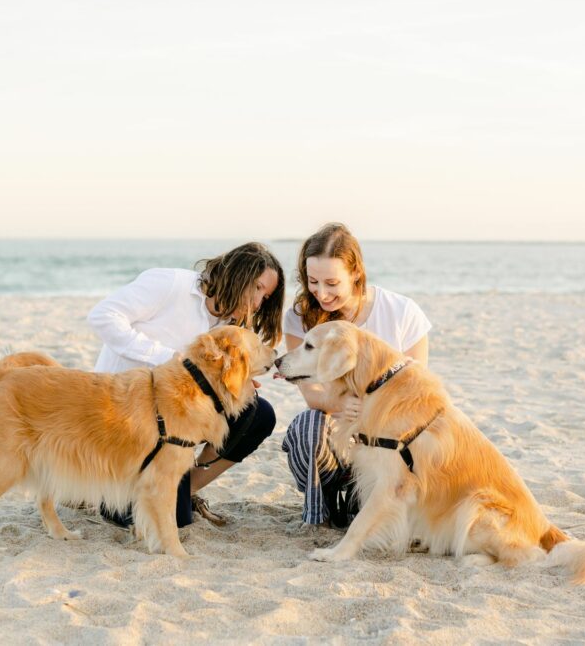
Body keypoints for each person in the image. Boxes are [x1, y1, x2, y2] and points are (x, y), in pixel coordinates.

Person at [87, 242, 284, 527]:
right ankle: (112, 488)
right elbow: (103, 317)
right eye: (257, 288)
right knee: (148, 519)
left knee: (258, 414)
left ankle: (184, 488)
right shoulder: (170, 284)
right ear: (238, 274)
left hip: (174, 424)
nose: (257, 303)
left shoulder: (229, 326)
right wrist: (167, 359)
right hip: (124, 417)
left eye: (265, 297)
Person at [280, 223, 431, 527]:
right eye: (313, 281)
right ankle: (320, 507)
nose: (321, 293)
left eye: (332, 283)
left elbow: (417, 395)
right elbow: (312, 394)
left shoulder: (402, 312)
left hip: (386, 442)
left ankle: (367, 500)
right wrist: (339, 406)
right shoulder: (299, 318)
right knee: (307, 425)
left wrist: (370, 409)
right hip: (332, 444)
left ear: (356, 275)